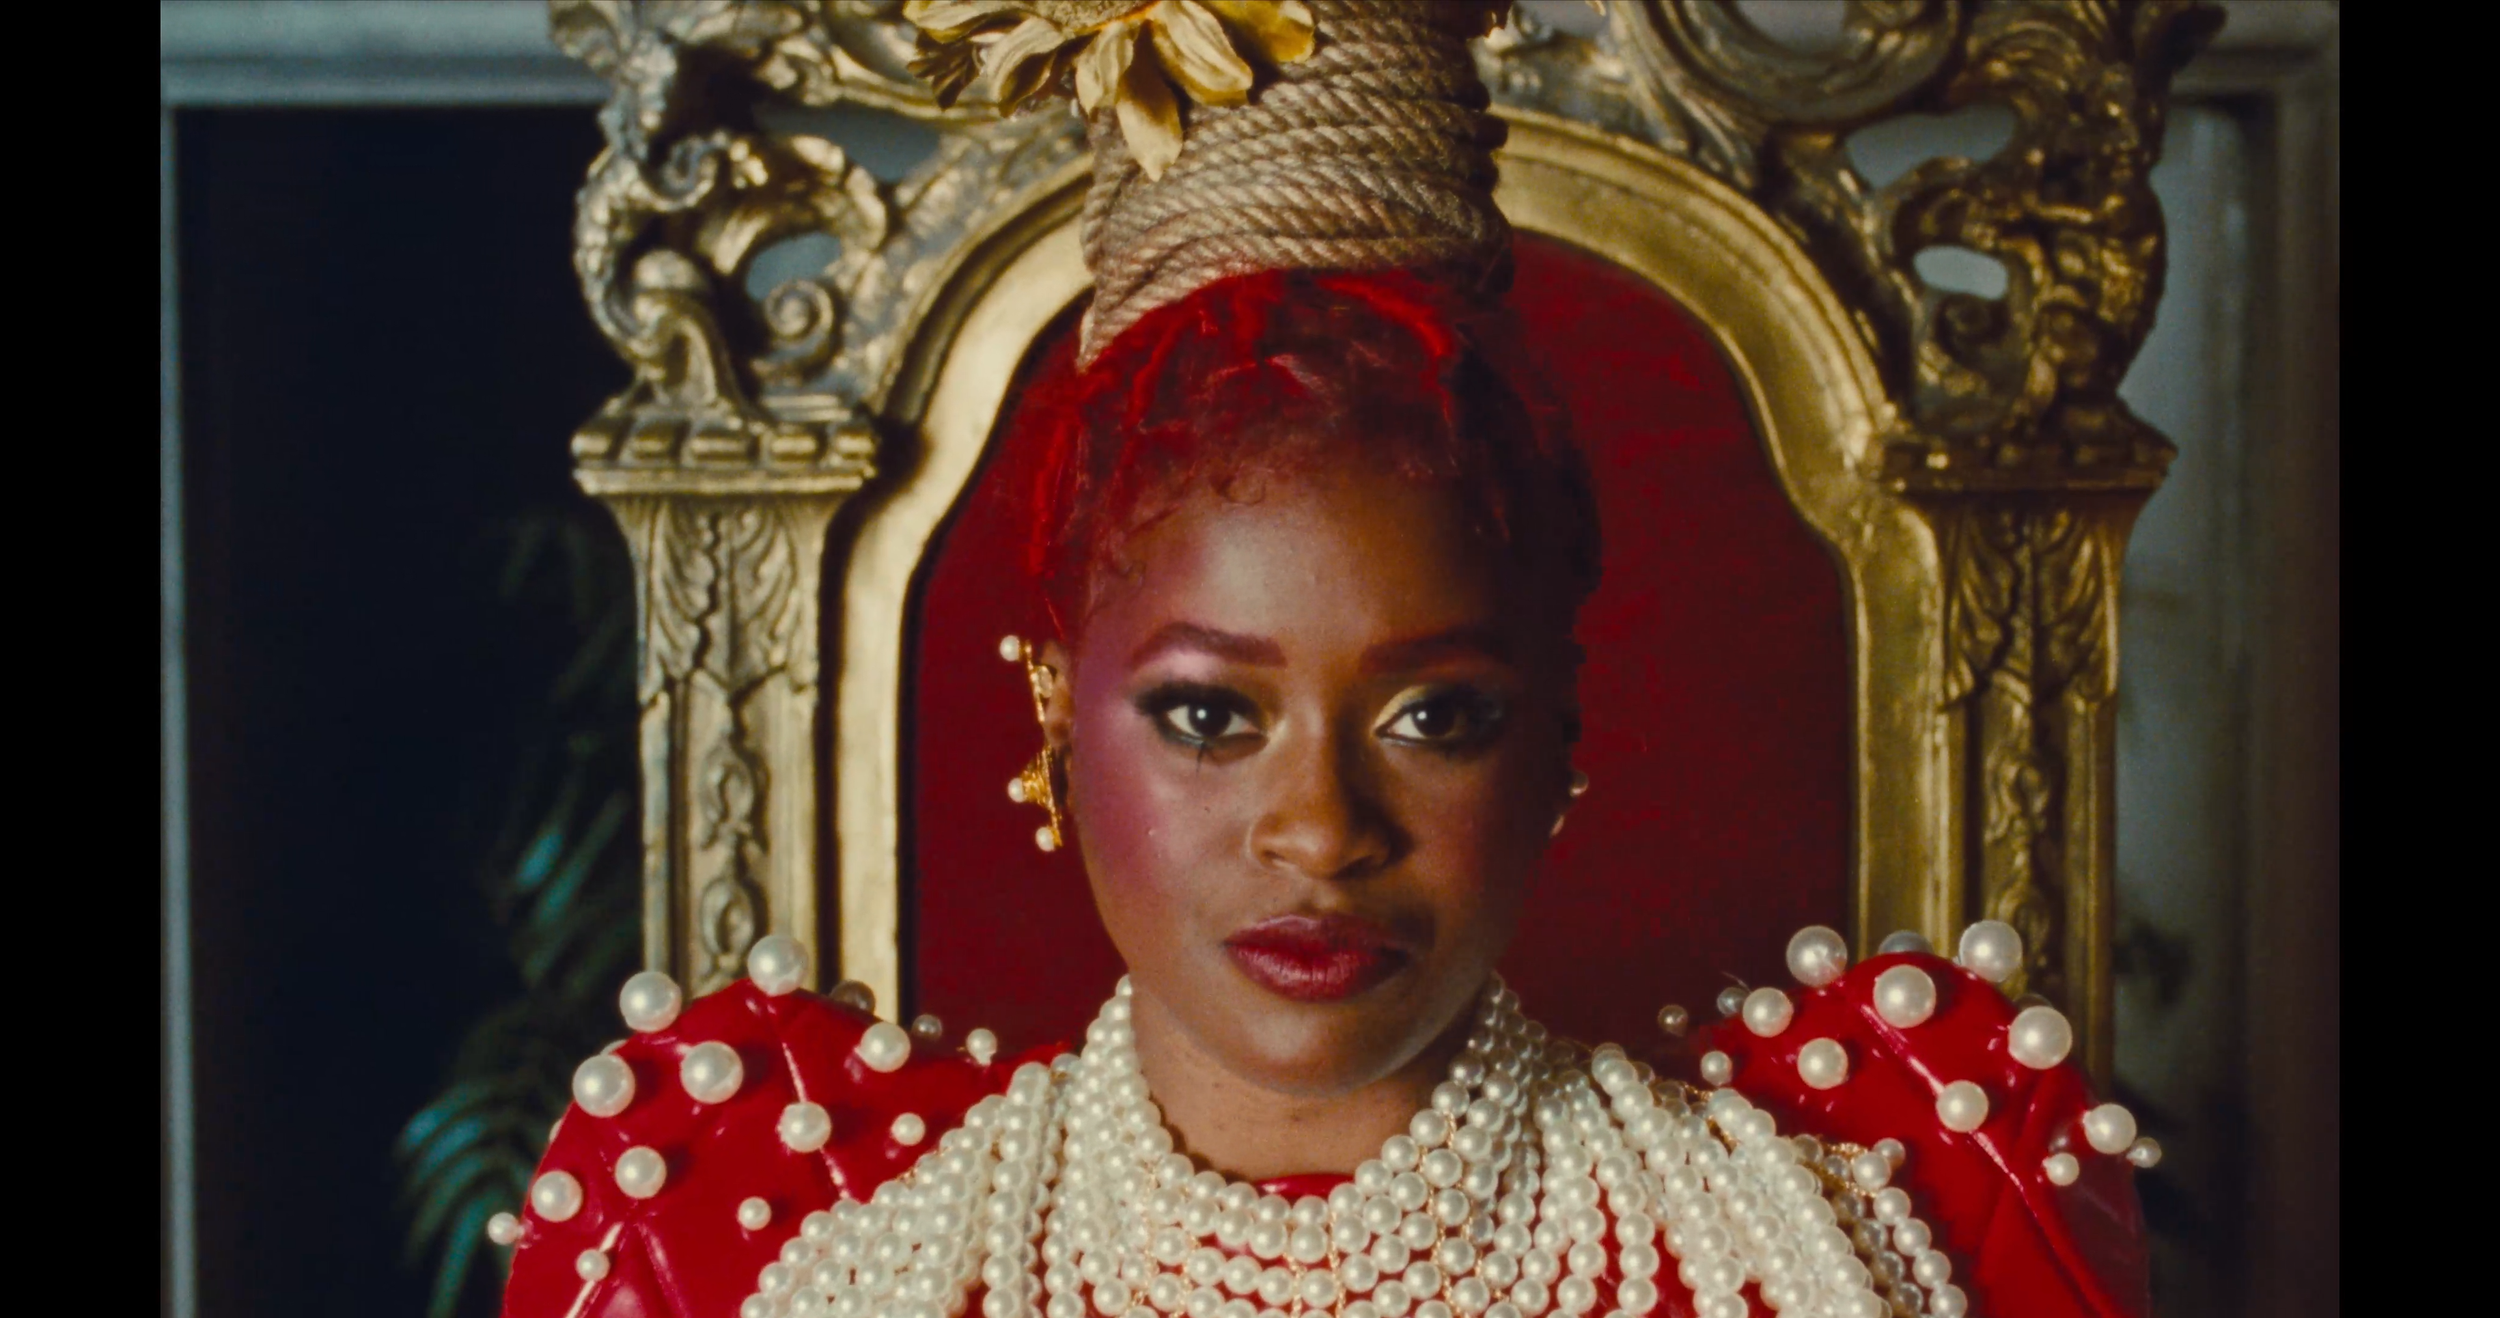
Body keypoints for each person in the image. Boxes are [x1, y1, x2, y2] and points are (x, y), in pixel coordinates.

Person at [494, 5, 2156, 1316]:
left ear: (1560, 736)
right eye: (1210, 712)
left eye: (1437, 714)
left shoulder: (1874, 1210)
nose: (1320, 828)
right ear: (1055, 714)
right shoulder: (745, 1235)